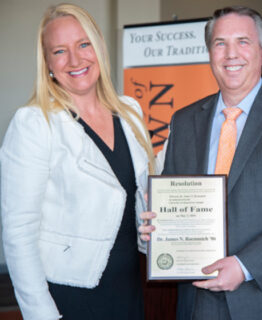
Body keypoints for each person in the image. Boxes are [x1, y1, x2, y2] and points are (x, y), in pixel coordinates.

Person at [139, 6, 262, 320]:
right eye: (220, 43)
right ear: (210, 54)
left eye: (243, 42)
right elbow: (170, 198)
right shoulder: (183, 120)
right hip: (198, 300)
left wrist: (244, 265)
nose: (231, 53)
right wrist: (157, 226)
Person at [0, 3, 156, 320]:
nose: (75, 60)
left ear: (98, 46)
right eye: (60, 51)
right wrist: (42, 315)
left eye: (83, 44)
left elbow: (136, 201)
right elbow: (18, 232)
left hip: (129, 287)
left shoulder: (130, 112)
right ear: (47, 64)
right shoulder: (34, 122)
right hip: (68, 296)